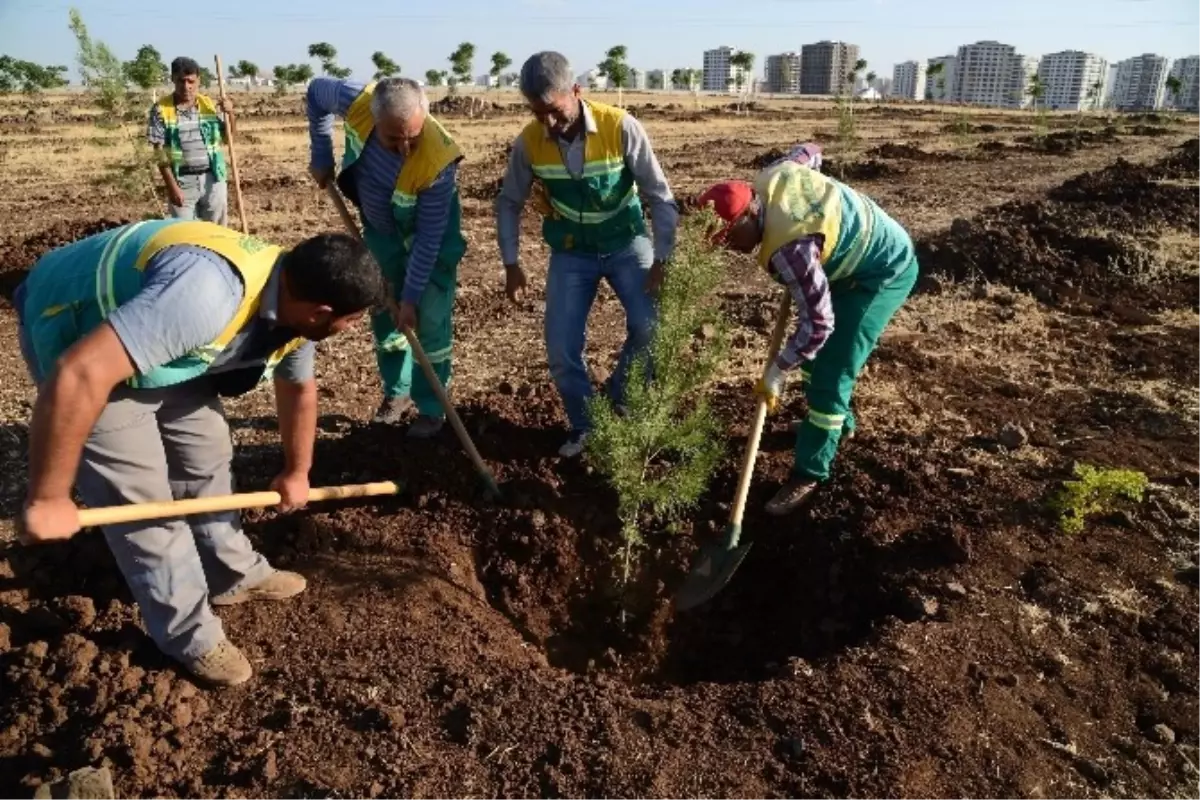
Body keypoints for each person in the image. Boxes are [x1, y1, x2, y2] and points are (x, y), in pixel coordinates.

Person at [13, 220, 384, 686]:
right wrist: (48, 498)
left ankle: (231, 572)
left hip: (163, 349)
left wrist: (297, 470)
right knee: (146, 509)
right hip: (77, 329)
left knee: (206, 453)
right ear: (320, 312)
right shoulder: (206, 295)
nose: (351, 329)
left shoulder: (294, 295)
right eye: (351, 321)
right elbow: (79, 374)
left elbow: (298, 387)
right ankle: (192, 636)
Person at [697, 143, 918, 516]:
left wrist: (778, 369)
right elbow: (810, 152)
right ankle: (840, 424)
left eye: (730, 239)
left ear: (751, 212)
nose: (730, 249)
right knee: (816, 360)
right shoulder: (775, 175)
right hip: (847, 261)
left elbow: (819, 323)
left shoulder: (791, 252)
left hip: (883, 271)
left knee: (830, 373)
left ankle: (810, 472)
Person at [497, 51, 678, 458]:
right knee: (561, 348)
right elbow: (509, 201)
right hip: (571, 251)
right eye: (537, 112)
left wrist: (663, 259)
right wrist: (511, 263)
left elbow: (660, 196)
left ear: (576, 92)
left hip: (626, 242)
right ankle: (586, 425)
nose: (548, 122)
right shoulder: (529, 142)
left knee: (651, 325)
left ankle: (618, 397)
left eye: (555, 110)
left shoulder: (621, 127)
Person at [307, 76, 466, 436]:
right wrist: (320, 154)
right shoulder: (357, 101)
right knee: (383, 310)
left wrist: (410, 299)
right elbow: (315, 93)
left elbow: (427, 240)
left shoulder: (439, 160)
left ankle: (431, 408)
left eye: (413, 136)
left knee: (428, 318)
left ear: (424, 113)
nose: (406, 148)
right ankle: (397, 394)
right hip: (381, 231)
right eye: (393, 138)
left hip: (430, 238)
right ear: (375, 119)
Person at [148, 57, 233, 224]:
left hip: (213, 178)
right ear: (172, 79)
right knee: (185, 234)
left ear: (198, 80)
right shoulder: (160, 109)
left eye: (191, 81)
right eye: (181, 81)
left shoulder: (208, 104)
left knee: (216, 233)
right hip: (182, 182)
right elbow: (159, 153)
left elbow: (229, 137)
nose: (186, 86)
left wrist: (231, 114)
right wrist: (172, 187)